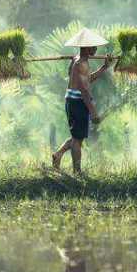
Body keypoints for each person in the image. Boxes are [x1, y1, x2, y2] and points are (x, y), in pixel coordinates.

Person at [52, 28, 113, 173]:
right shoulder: (81, 64)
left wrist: (104, 67)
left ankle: (58, 154)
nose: (96, 49)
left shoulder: (78, 61)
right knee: (78, 140)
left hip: (74, 100)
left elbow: (87, 80)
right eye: (93, 46)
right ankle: (77, 172)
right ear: (85, 47)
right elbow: (84, 90)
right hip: (77, 102)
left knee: (76, 136)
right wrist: (93, 112)